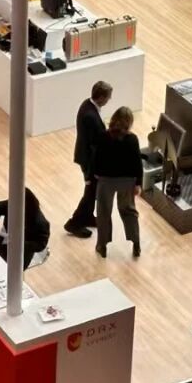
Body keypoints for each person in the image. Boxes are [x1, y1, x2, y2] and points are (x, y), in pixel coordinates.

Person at [93, 106, 143, 258]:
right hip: (127, 181)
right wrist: (138, 183)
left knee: (103, 213)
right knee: (128, 211)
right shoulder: (132, 139)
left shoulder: (103, 136)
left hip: (106, 181)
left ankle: (102, 246)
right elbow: (137, 163)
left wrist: (95, 174)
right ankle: (136, 244)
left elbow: (96, 158)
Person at [65, 80, 112, 238]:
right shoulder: (90, 116)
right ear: (101, 97)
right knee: (90, 192)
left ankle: (87, 217)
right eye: (108, 97)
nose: (109, 100)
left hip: (87, 157)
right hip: (90, 162)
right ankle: (74, 223)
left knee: (92, 191)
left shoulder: (87, 105)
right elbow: (94, 146)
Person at [0, 187, 51, 269]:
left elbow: (40, 244)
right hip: (0, 246)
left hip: (19, 257)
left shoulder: (41, 222)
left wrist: (19, 243)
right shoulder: (13, 204)